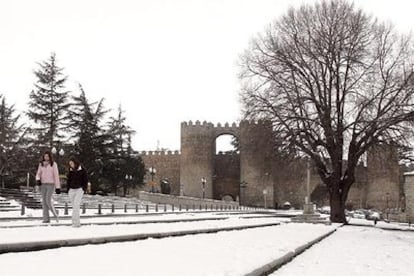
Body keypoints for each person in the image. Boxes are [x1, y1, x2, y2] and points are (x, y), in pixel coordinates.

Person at [35, 151, 61, 223]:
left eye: (47, 156)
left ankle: (55, 214)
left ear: (50, 157)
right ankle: (46, 219)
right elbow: (38, 174)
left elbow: (56, 176)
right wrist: (38, 180)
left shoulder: (53, 164)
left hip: (51, 184)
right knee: (44, 202)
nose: (46, 157)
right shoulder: (41, 164)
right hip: (43, 184)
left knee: (48, 200)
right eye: (45, 156)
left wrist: (57, 187)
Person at [66, 156, 88, 227]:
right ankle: (77, 222)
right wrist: (68, 189)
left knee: (76, 205)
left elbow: (85, 180)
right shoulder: (70, 170)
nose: (71, 165)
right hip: (71, 190)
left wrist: (84, 188)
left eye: (72, 163)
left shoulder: (82, 170)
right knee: (75, 207)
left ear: (75, 163)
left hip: (79, 189)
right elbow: (68, 180)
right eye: (70, 164)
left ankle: (75, 223)